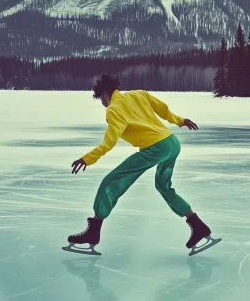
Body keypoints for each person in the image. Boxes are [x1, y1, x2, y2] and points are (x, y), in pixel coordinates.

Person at [68, 74, 213, 251]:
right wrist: (180, 121)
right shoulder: (138, 94)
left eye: (100, 98)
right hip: (172, 142)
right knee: (163, 186)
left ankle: (94, 230)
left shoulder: (113, 110)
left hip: (156, 147)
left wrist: (87, 159)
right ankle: (198, 226)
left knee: (111, 181)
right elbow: (163, 109)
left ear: (105, 92)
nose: (102, 103)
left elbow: (109, 143)